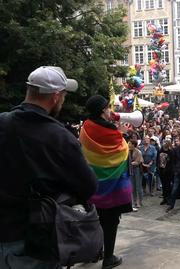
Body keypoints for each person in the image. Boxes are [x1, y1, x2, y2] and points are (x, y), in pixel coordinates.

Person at [0, 66, 97, 269]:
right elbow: (88, 186)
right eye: (63, 95)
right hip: (37, 238)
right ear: (55, 97)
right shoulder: (59, 137)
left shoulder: (3, 122)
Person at [80, 95, 133, 268]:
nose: (111, 110)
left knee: (94, 220)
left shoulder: (85, 127)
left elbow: (87, 151)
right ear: (103, 110)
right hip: (111, 187)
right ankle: (108, 258)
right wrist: (122, 134)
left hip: (92, 183)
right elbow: (122, 151)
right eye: (109, 107)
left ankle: (94, 252)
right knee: (110, 222)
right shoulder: (110, 130)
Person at [128, 139, 144, 211]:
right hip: (131, 170)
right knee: (133, 187)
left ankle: (140, 201)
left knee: (138, 186)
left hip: (137, 170)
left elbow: (138, 161)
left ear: (133, 144)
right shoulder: (127, 151)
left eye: (130, 143)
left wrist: (130, 163)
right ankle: (134, 201)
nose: (128, 144)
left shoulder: (138, 152)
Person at [158, 139, 174, 205]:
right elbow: (157, 159)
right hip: (161, 170)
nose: (165, 144)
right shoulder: (160, 150)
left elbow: (172, 162)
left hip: (168, 171)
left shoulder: (171, 152)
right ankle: (164, 198)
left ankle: (169, 198)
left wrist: (168, 169)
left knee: (168, 185)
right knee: (164, 185)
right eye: (164, 142)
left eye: (167, 143)